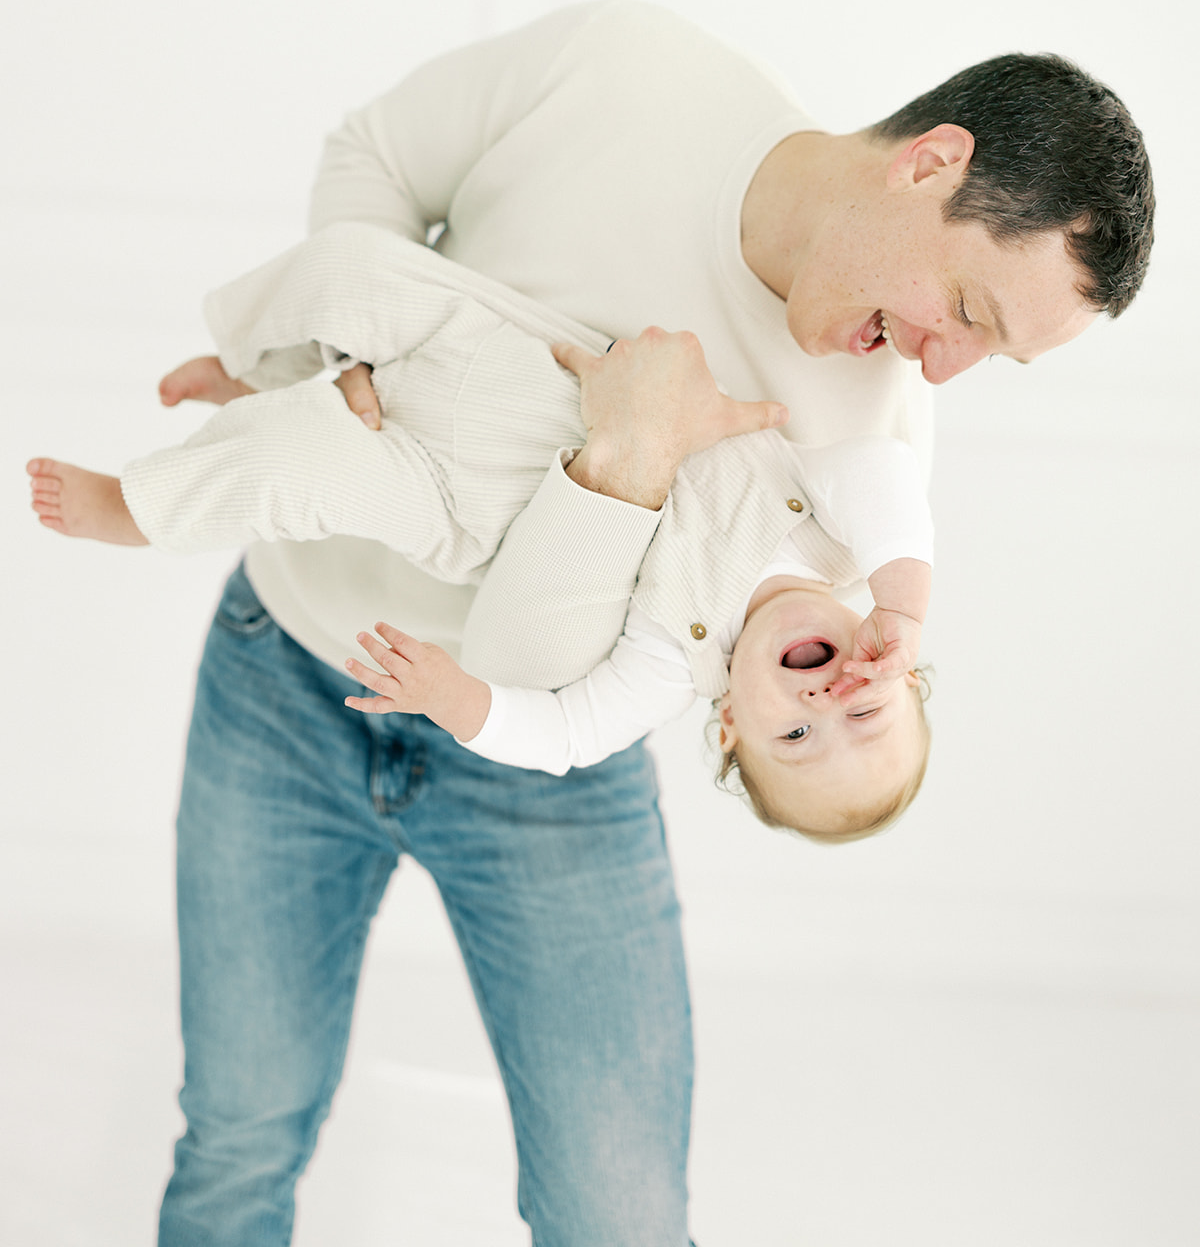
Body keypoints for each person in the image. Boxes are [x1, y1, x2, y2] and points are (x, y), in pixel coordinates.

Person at [37, 0, 1156, 1246]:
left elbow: (538, 671)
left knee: (617, 1216)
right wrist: (342, 366)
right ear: (931, 164)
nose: (944, 367)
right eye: (970, 311)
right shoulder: (629, 71)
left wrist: (630, 454)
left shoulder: (875, 428)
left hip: (547, 772)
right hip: (287, 670)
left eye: (989, 358)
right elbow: (378, 158)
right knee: (238, 1130)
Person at [29, 222, 935, 841]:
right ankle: (253, 362)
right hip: (510, 353)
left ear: (732, 724)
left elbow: (565, 736)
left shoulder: (674, 666)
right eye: (865, 708)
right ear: (891, 657)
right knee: (346, 268)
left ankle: (137, 508)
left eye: (798, 742)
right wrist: (903, 600)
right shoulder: (836, 542)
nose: (825, 707)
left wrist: (454, 697)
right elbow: (881, 469)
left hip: (451, 493)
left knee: (290, 471)